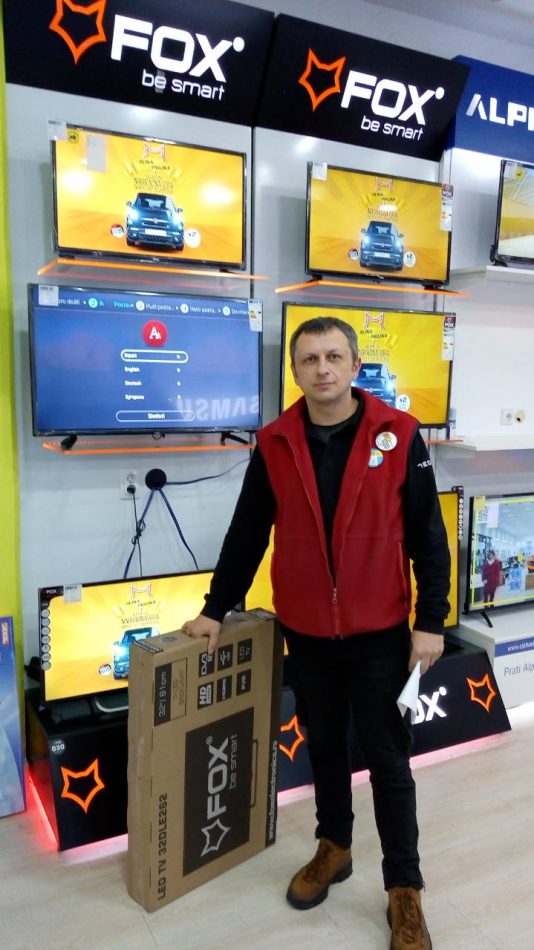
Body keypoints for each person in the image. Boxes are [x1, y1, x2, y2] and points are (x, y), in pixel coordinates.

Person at [183, 316, 450, 950]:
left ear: (355, 365)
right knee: (325, 746)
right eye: (309, 359)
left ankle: (404, 889)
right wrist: (215, 608)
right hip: (305, 632)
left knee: (388, 762)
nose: (322, 368)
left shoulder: (399, 434)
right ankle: (334, 845)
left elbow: (427, 534)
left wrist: (431, 620)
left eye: (333, 356)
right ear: (296, 371)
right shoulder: (274, 442)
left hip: (380, 633)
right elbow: (247, 532)